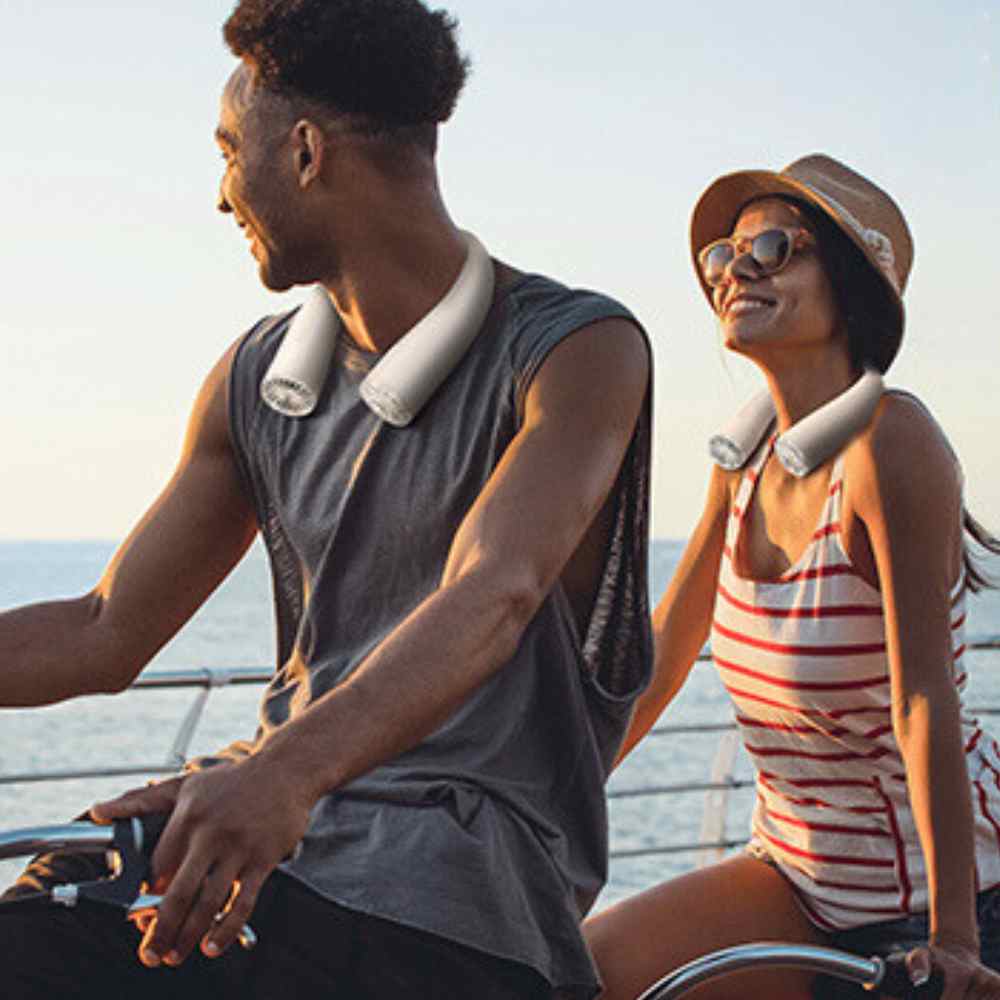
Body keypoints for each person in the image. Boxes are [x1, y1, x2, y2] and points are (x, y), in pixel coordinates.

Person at [0, 2, 653, 998]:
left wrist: (282, 774)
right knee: (34, 927)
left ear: (304, 152)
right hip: (276, 839)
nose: (222, 194)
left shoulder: (576, 349)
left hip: (460, 894)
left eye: (231, 151)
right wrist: (253, 784)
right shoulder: (253, 379)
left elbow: (495, 591)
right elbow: (104, 628)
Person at [584, 154, 1000, 1000]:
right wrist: (542, 800)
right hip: (795, 877)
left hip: (947, 897)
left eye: (775, 247)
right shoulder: (742, 460)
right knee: (577, 974)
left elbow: (923, 701)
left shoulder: (889, 443)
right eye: (724, 255)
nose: (736, 270)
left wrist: (955, 939)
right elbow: (663, 656)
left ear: (849, 285)